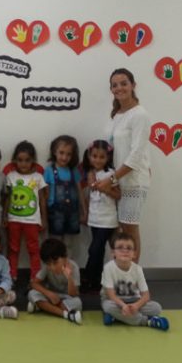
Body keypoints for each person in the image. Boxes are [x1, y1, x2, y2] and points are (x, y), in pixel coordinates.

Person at [94, 68, 151, 262]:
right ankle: (121, 271)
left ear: (133, 85)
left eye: (124, 83)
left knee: (129, 230)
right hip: (117, 180)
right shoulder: (116, 115)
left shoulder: (140, 115)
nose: (119, 88)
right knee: (119, 229)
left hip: (133, 181)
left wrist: (111, 179)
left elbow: (136, 156)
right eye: (115, 85)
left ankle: (132, 274)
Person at [101, 233, 169, 331]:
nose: (125, 251)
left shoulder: (138, 269)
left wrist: (136, 306)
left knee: (156, 308)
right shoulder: (108, 268)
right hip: (115, 302)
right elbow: (111, 295)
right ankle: (146, 321)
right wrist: (123, 306)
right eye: (120, 247)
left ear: (134, 254)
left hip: (133, 301)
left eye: (129, 248)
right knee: (108, 307)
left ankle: (117, 317)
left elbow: (146, 295)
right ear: (113, 253)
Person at [81, 140, 120, 293]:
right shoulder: (90, 173)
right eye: (94, 156)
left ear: (108, 158)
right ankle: (96, 280)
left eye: (102, 157)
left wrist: (105, 189)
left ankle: (88, 277)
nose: (97, 160)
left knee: (94, 249)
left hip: (108, 219)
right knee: (98, 250)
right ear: (89, 156)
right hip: (94, 219)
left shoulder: (111, 174)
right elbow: (88, 194)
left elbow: (118, 194)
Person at [5, 140, 47, 281]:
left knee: (33, 249)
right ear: (15, 160)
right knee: (13, 248)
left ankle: (35, 277)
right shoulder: (10, 176)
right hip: (13, 219)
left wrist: (44, 219)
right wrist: (4, 216)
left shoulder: (38, 177)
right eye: (20, 160)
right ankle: (12, 275)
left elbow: (42, 199)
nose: (23, 163)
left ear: (33, 160)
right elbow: (7, 198)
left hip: (32, 220)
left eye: (27, 160)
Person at [43, 135, 87, 258]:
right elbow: (45, 195)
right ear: (54, 152)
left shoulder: (74, 171)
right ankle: (54, 267)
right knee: (55, 243)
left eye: (68, 154)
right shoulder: (49, 171)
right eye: (61, 153)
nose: (64, 157)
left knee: (69, 244)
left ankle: (67, 266)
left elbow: (80, 192)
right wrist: (43, 216)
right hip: (55, 213)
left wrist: (84, 211)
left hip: (72, 213)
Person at [26, 238, 82, 325]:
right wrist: (48, 293)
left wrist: (69, 277)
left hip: (66, 298)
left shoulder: (74, 267)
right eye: (49, 264)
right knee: (32, 293)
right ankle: (66, 315)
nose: (52, 267)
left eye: (55, 263)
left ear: (65, 258)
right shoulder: (46, 267)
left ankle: (43, 307)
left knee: (78, 303)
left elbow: (74, 294)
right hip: (51, 296)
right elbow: (33, 283)